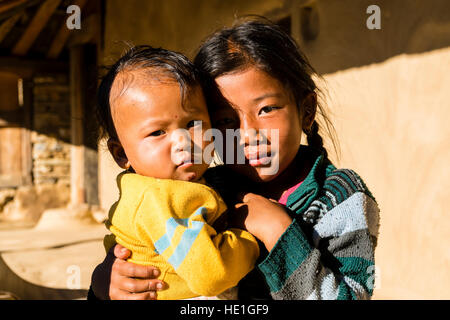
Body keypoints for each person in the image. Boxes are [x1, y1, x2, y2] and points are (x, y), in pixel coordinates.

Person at [89, 17, 380, 300]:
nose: (247, 134)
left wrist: (278, 231)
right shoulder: (202, 189)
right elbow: (133, 251)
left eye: (266, 109)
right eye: (226, 121)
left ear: (305, 110)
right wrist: (106, 280)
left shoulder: (341, 198)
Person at [94, 45, 260, 300]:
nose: (184, 142)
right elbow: (213, 275)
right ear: (121, 154)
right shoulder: (160, 201)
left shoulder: (166, 189)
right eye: (158, 132)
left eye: (193, 124)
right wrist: (251, 239)